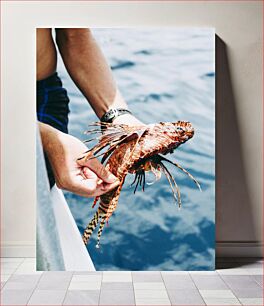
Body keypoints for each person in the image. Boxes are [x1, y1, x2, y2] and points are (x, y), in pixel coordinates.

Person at [37, 28, 142, 197]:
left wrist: (116, 116)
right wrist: (47, 140)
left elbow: (74, 35)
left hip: (40, 95)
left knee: (38, 182)